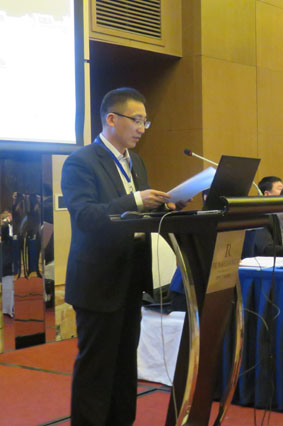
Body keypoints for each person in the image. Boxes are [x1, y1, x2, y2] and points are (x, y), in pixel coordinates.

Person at [61, 87, 183, 425]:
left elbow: (137, 217)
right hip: (98, 282)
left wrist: (167, 206)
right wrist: (137, 200)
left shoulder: (136, 162)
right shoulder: (81, 161)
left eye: (146, 121)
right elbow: (86, 217)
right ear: (112, 119)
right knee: (97, 369)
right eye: (137, 120)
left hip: (131, 279)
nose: (142, 128)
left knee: (125, 366)